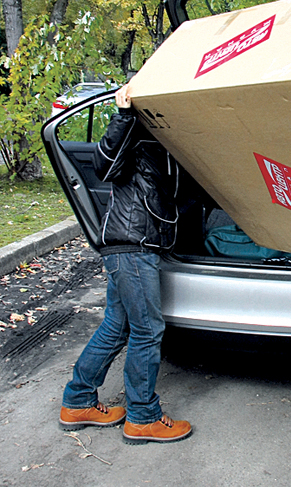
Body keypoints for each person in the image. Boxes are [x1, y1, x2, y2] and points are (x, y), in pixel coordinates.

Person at [58, 84, 193, 443]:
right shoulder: (134, 130)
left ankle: (78, 401)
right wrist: (124, 115)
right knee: (148, 330)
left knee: (117, 327)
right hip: (133, 245)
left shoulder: (166, 142)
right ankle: (143, 417)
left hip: (136, 246)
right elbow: (103, 165)